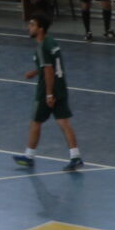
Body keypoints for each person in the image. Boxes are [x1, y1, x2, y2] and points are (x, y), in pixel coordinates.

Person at [13, 12, 84, 171]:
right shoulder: (51, 41)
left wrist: (49, 94)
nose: (29, 27)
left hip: (47, 89)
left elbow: (49, 70)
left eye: (32, 25)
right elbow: (49, 65)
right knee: (64, 122)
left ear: (41, 28)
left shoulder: (42, 47)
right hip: (61, 87)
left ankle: (29, 157)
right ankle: (76, 156)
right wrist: (35, 72)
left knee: (36, 122)